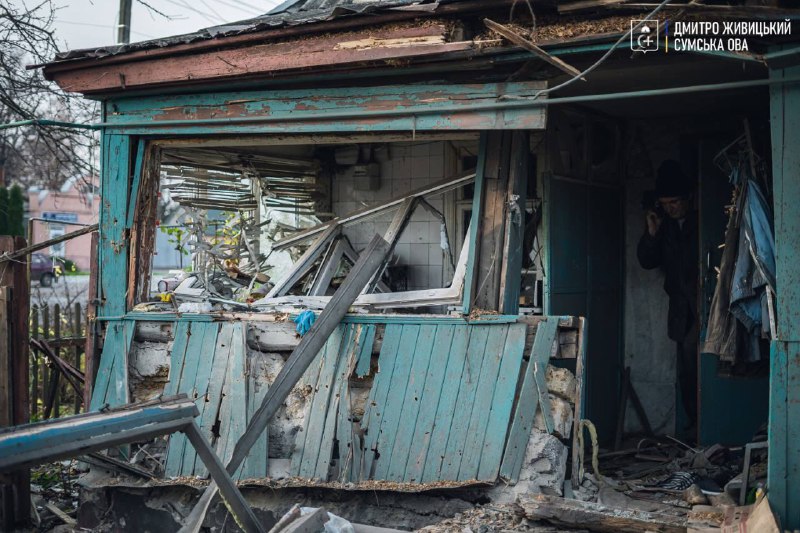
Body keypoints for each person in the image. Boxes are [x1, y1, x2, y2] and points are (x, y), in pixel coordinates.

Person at [637, 160, 699, 429]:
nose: (671, 208)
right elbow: (647, 261)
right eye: (665, 203)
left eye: (675, 202)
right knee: (687, 371)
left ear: (688, 198)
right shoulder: (665, 226)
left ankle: (709, 428)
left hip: (706, 304)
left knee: (706, 368)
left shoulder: (703, 219)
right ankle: (696, 427)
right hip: (681, 308)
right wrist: (652, 232)